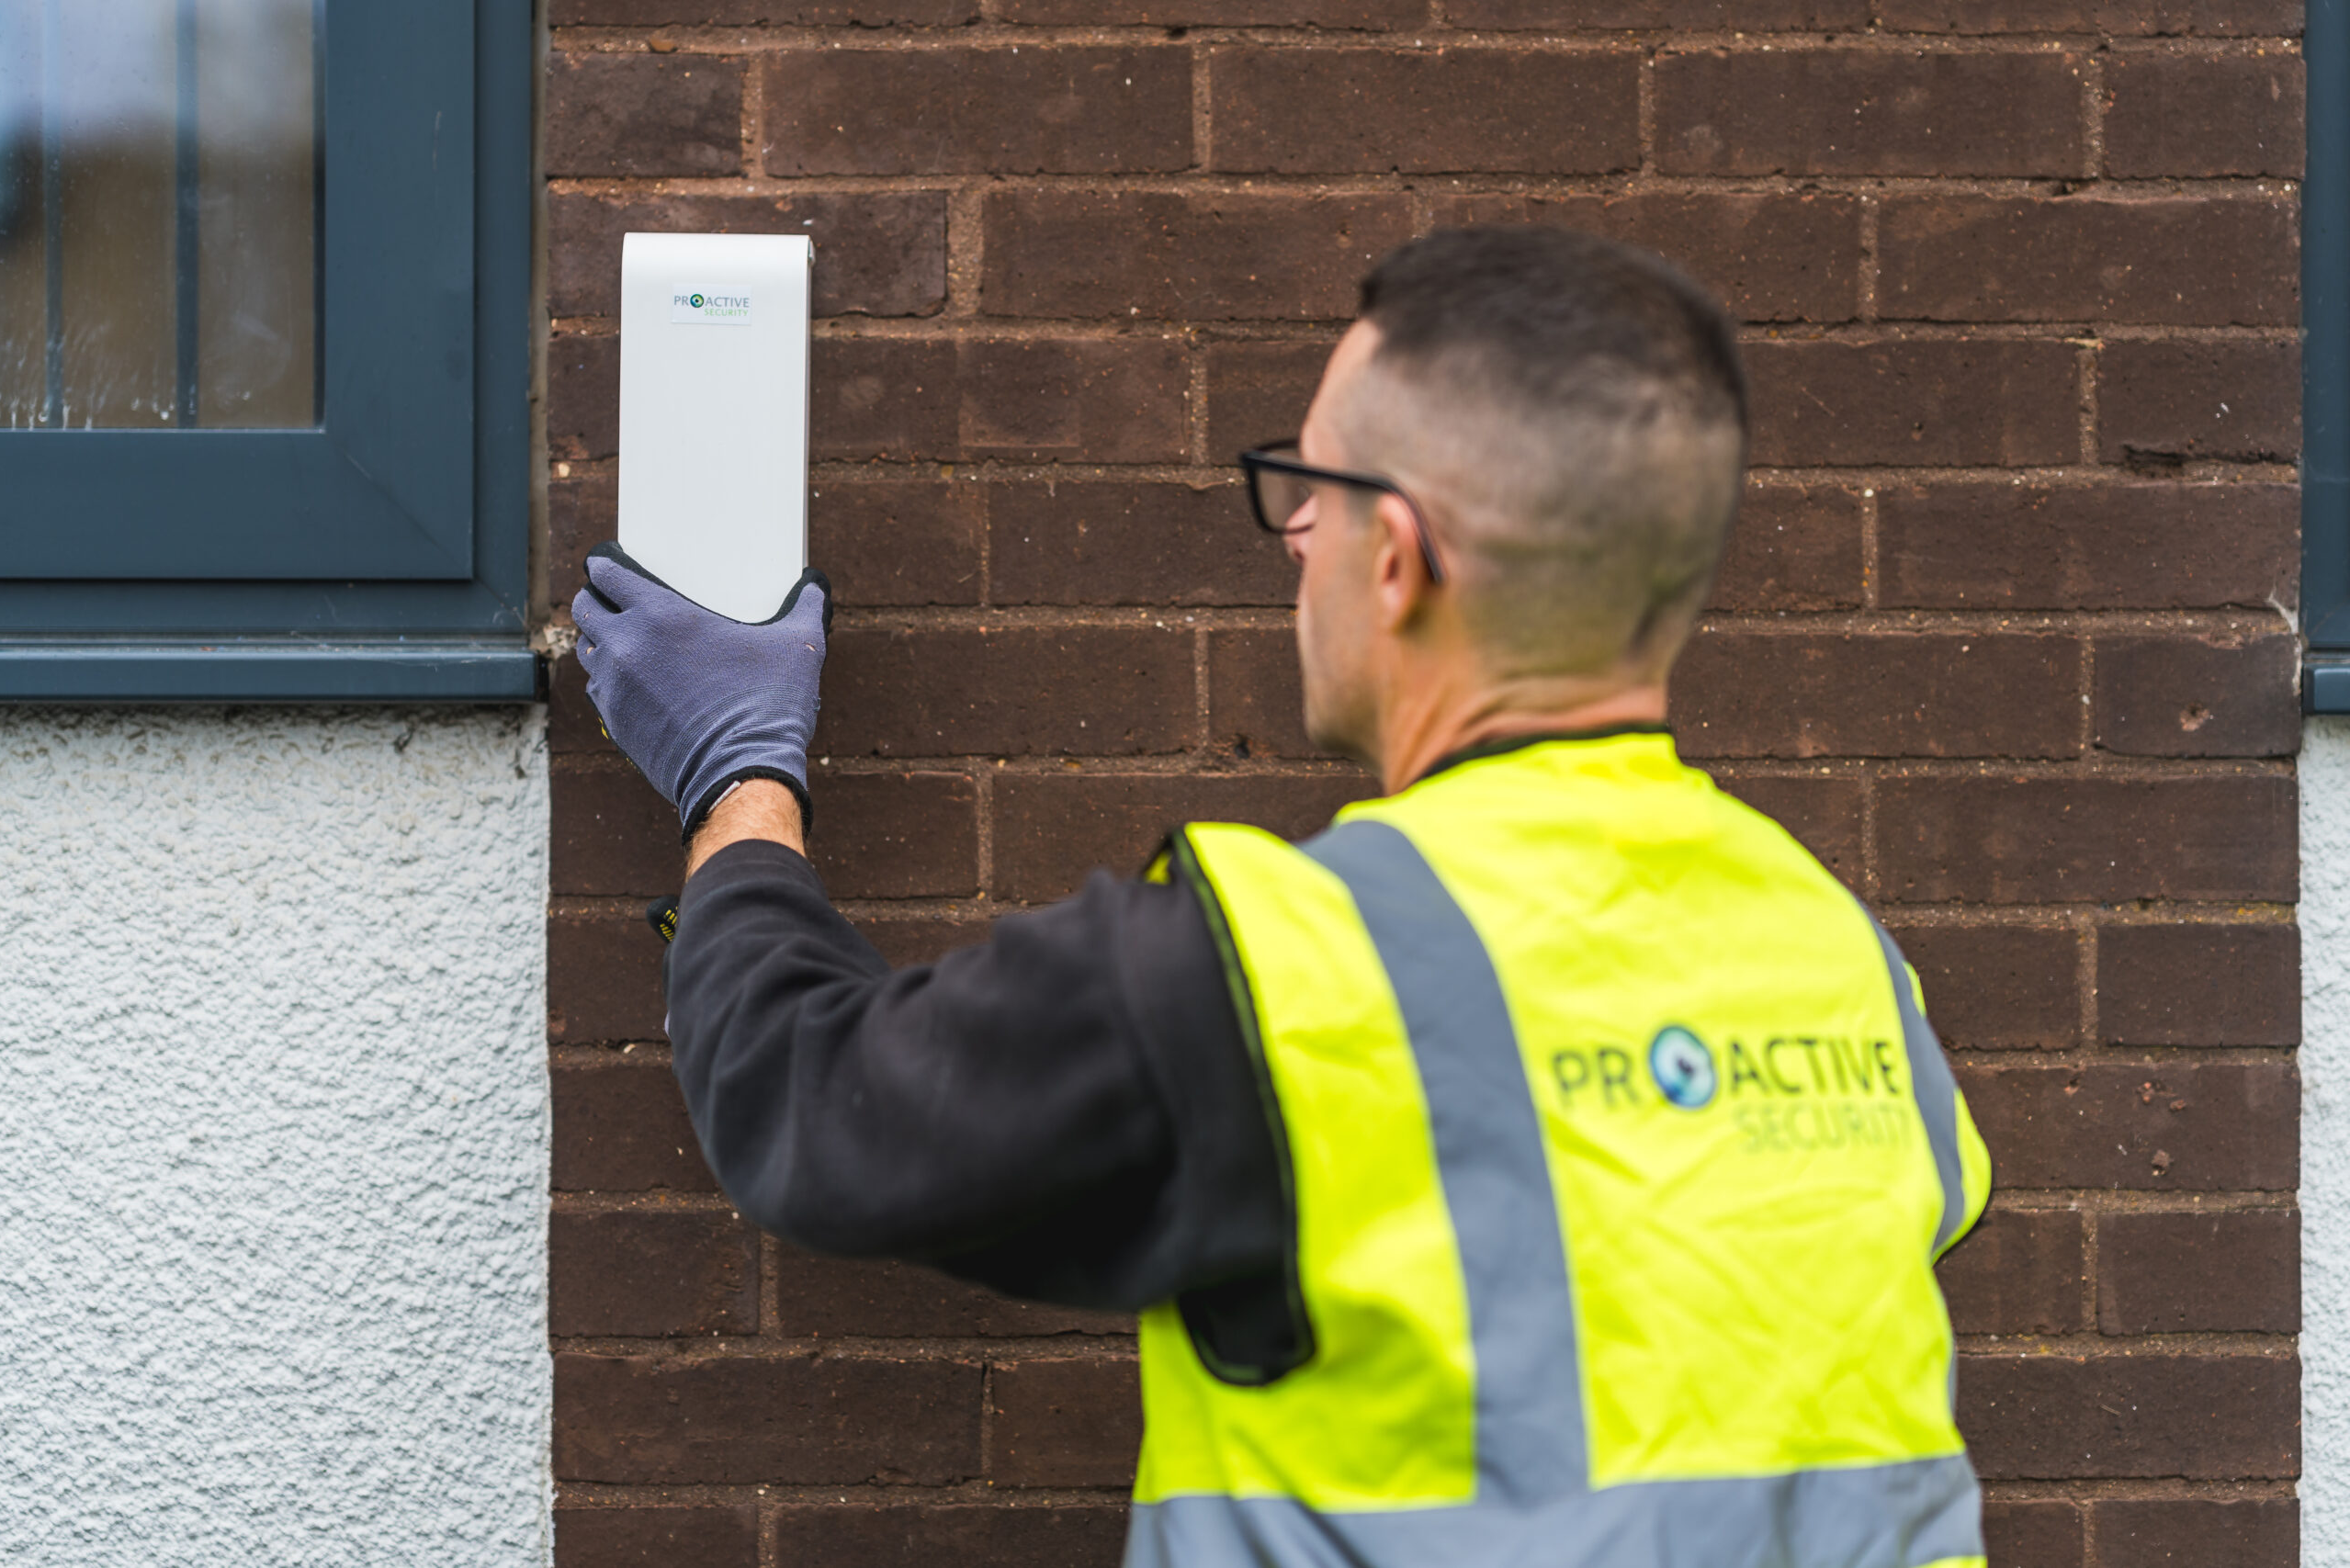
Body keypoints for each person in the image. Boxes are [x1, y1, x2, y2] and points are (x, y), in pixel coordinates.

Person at [571, 225, 1994, 1568]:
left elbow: (810, 1103)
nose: (1296, 531)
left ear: (1401, 560)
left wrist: (735, 778)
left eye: (1312, 491)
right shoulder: (1844, 960)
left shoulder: (1274, 974)